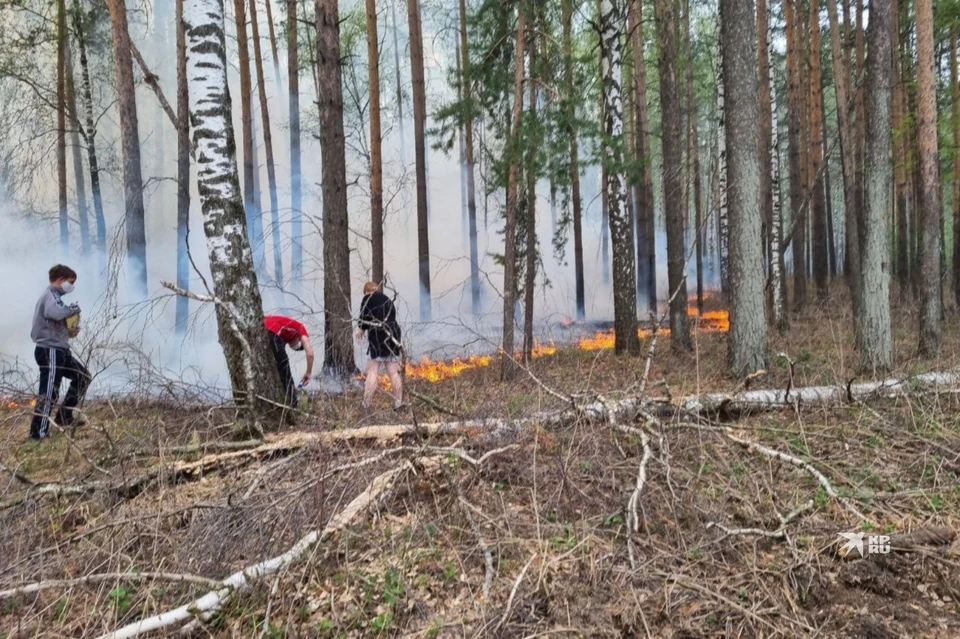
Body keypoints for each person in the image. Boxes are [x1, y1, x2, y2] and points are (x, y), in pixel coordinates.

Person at [29, 264, 90, 441]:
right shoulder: (51, 296)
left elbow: (55, 320)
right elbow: (55, 312)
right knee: (49, 392)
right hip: (50, 350)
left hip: (60, 350)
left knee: (82, 376)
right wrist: (73, 309)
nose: (71, 286)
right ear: (61, 280)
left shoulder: (56, 297)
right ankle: (38, 434)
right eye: (71, 282)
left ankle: (65, 417)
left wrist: (69, 331)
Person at [357, 282, 403, 409]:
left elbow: (363, 318)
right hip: (393, 335)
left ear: (366, 291)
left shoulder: (367, 299)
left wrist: (361, 328)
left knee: (372, 371)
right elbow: (391, 317)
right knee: (393, 373)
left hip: (377, 336)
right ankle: (398, 403)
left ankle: (366, 404)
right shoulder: (386, 299)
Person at [264, 314, 314, 408]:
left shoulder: (286, 331)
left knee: (275, 367)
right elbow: (310, 353)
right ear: (298, 339)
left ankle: (283, 396)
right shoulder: (301, 329)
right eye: (296, 347)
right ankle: (293, 405)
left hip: (261, 329)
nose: (291, 346)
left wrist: (291, 385)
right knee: (284, 368)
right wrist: (308, 372)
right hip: (271, 331)